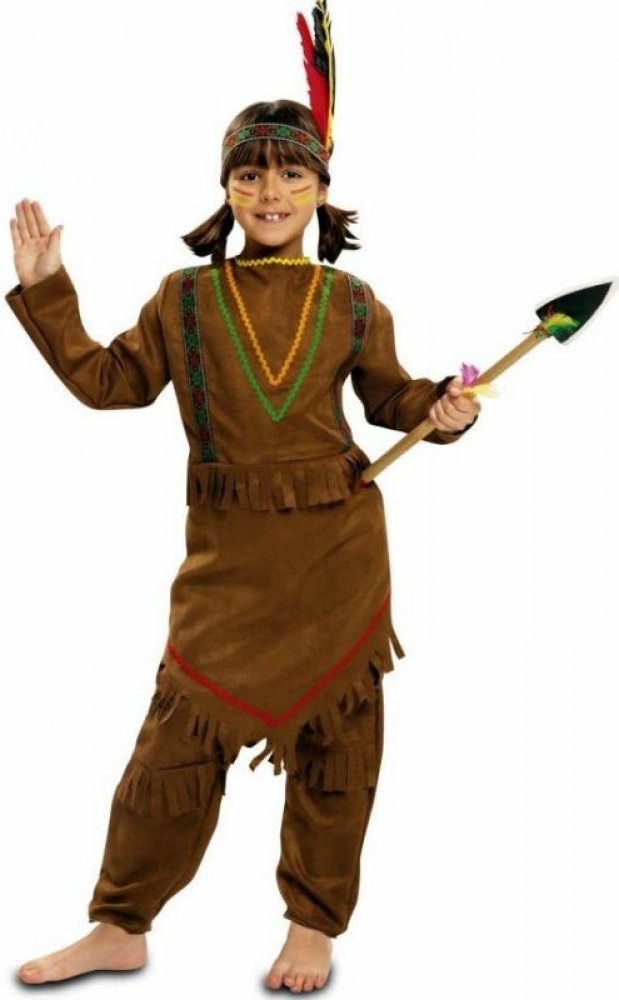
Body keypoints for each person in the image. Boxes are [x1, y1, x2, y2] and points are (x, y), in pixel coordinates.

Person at [5, 20, 480, 1000]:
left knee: (337, 747)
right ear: (225, 187)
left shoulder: (352, 300)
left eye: (291, 175)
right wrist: (48, 292)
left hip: (337, 556)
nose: (270, 193)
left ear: (320, 190)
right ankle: (118, 924)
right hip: (226, 564)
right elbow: (107, 383)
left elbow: (392, 399)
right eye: (250, 175)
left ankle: (312, 924)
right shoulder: (183, 299)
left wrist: (441, 407)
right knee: (172, 746)